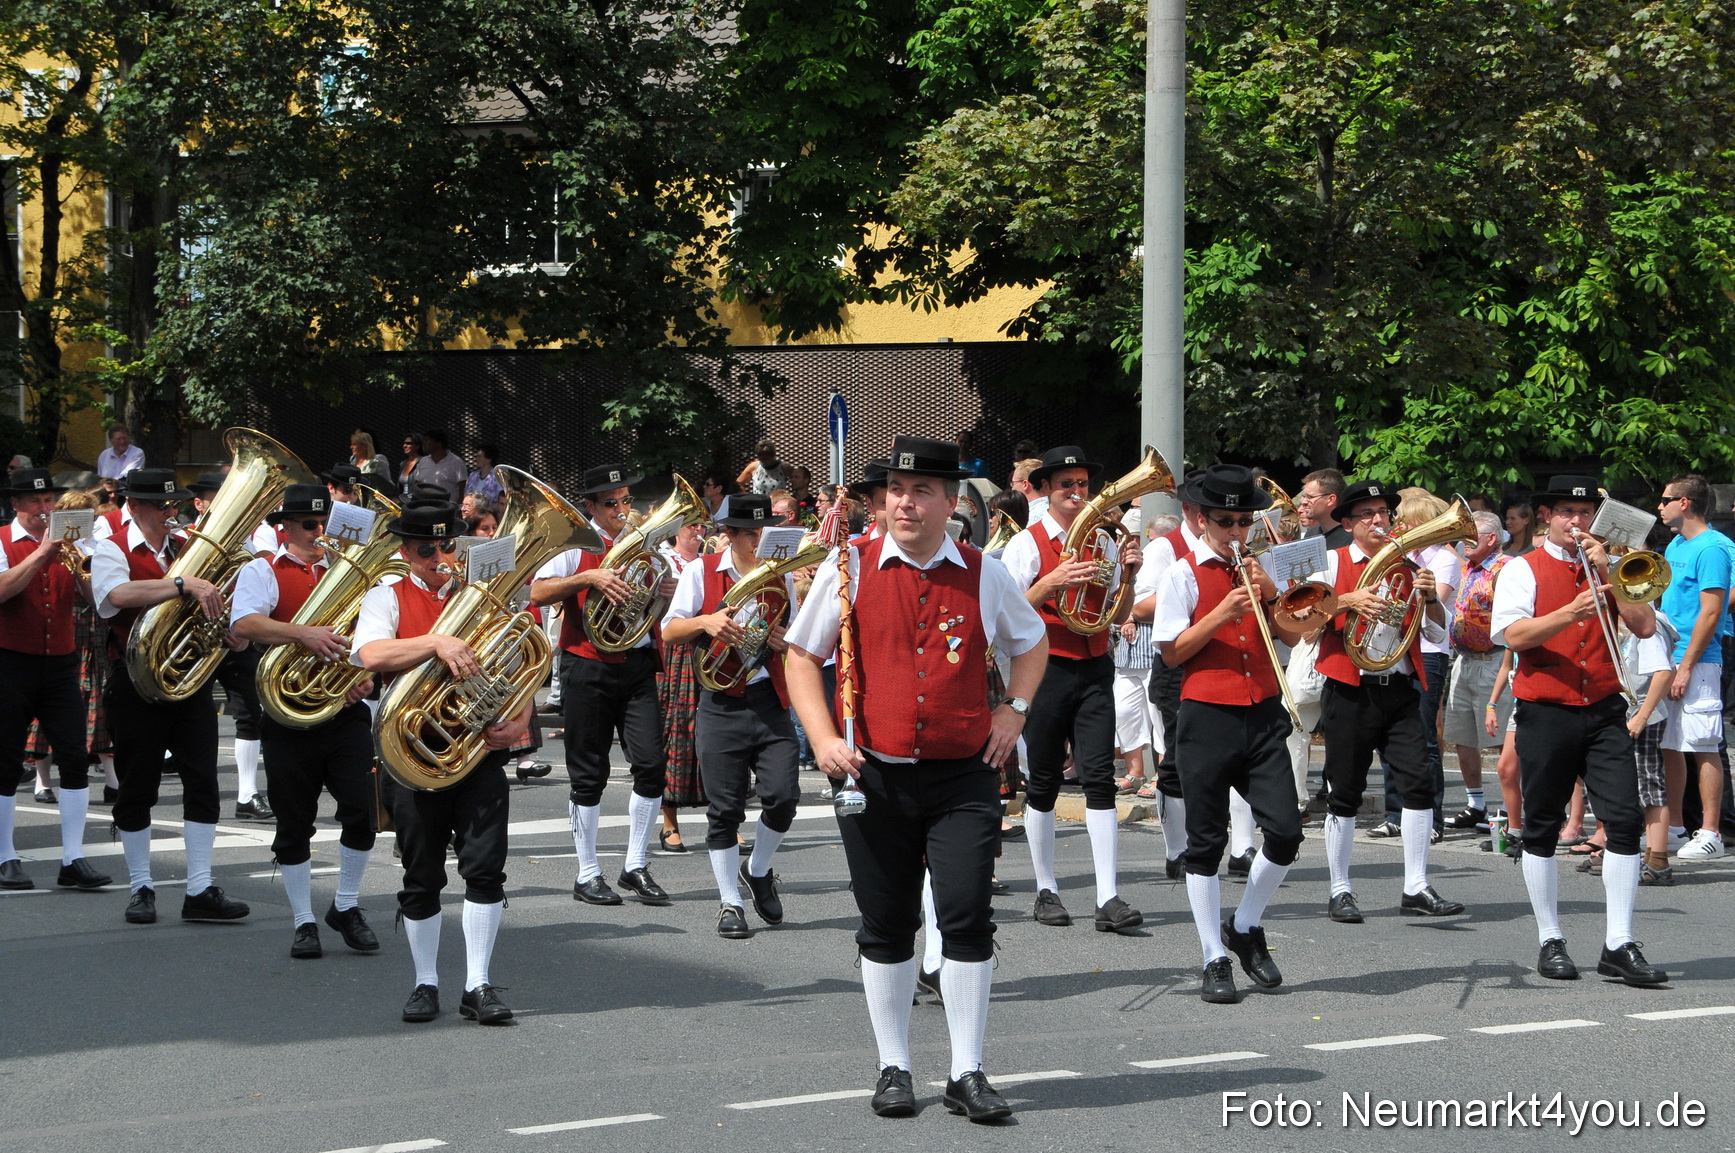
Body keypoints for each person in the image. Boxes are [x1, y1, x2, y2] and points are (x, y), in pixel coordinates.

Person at [786, 435, 1048, 1123]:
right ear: (878, 502)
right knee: (888, 922)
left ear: (950, 500)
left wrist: (1012, 710)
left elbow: (1032, 642)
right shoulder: (846, 567)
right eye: (895, 492)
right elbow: (798, 657)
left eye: (923, 490)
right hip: (873, 773)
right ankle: (893, 1065)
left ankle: (967, 1070)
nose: (906, 502)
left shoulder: (982, 571)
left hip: (963, 773)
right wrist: (820, 737)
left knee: (965, 915)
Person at [1489, 474, 1666, 986]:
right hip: (1545, 709)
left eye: (1585, 514)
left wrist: (1608, 570)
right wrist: (1568, 611)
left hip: (1605, 707)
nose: (1576, 522)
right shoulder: (1523, 569)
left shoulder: (1608, 566)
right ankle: (1551, 938)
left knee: (1625, 820)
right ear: (1547, 516)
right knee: (1542, 825)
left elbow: (1644, 626)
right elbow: (1513, 634)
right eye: (1566, 512)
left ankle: (1619, 942)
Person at [354, 502, 525, 1022]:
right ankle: (425, 982)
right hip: (413, 755)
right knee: (421, 874)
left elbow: (519, 662)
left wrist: (517, 723)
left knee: (485, 871)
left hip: (474, 751)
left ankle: (478, 984)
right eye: (426, 548)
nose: (439, 557)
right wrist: (435, 643)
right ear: (406, 552)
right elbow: (371, 655)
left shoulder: (483, 601)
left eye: (448, 545)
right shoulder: (386, 596)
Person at [1153, 465, 1307, 1003]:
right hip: (1206, 716)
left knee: (1286, 833)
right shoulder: (1183, 575)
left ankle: (1242, 927)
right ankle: (1212, 957)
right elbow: (1172, 651)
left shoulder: (1262, 568)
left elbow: (1294, 631)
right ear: (1199, 519)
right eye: (1226, 522)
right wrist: (1221, 612)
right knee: (1206, 844)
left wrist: (1271, 596)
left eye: (1244, 521)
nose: (1237, 532)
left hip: (1263, 712)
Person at [1282, 478, 1462, 922]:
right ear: (1346, 523)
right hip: (1350, 689)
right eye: (1367, 514)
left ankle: (1416, 886)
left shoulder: (1409, 565)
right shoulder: (1330, 562)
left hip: (1400, 688)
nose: (1379, 520)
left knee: (1418, 785)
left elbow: (1439, 633)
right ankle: (1340, 889)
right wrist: (1346, 600)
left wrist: (1429, 599)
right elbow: (1298, 620)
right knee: (1344, 791)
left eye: (1383, 512)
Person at [90, 468, 250, 926]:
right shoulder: (112, 545)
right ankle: (141, 885)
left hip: (188, 681)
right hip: (136, 681)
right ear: (134, 506)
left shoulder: (186, 548)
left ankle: (199, 887)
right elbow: (114, 595)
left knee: (202, 781)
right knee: (137, 784)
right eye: (160, 507)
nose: (169, 513)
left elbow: (208, 612)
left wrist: (228, 634)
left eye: (171, 505)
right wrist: (183, 584)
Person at [230, 484, 379, 959]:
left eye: (325, 525)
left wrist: (365, 674)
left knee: (362, 810)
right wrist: (303, 634)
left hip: (342, 708)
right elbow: (244, 625)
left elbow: (372, 632)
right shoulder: (263, 569)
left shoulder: (349, 570)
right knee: (294, 823)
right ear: (286, 528)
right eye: (311, 526)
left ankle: (347, 904)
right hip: (288, 713)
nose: (320, 533)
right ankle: (303, 920)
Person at [1000, 445, 1145, 932]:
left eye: (1082, 485)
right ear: (1043, 490)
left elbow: (1118, 617)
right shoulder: (1026, 544)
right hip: (1045, 669)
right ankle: (1046, 889)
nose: (1077, 493)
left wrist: (1129, 574)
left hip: (1095, 665)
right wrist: (1051, 581)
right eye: (1066, 485)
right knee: (1042, 779)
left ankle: (1108, 895)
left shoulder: (1103, 540)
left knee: (1099, 777)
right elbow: (1006, 614)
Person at [529, 463, 672, 908]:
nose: (621, 509)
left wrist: (662, 595)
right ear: (591, 506)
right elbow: (537, 592)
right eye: (611, 503)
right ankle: (587, 871)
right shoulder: (577, 544)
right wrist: (588, 577)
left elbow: (652, 614)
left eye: (626, 501)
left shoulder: (645, 545)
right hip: (586, 664)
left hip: (636, 663)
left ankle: (635, 865)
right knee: (589, 774)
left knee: (651, 764)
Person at [662, 494, 801, 939]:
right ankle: (729, 902)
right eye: (752, 535)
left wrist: (783, 638)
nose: (761, 542)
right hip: (719, 701)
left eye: (765, 533)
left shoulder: (779, 577)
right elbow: (670, 628)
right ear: (730, 536)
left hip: (767, 698)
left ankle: (757, 870)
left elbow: (795, 633)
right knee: (724, 810)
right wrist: (705, 622)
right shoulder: (703, 572)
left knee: (783, 795)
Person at [0, 469, 110, 891]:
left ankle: (73, 858)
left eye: (48, 502)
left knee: (75, 754)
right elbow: (5, 589)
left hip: (61, 661)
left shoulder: (74, 543)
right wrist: (43, 552)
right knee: (7, 759)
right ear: (16, 505)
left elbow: (96, 600)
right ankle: (7, 855)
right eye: (34, 503)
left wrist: (83, 561)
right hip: (10, 661)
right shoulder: (3, 540)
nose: (43, 510)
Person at [1649, 474, 1732, 861]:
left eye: (1665, 499)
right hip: (1670, 653)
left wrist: (1686, 665)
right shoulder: (1676, 544)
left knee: (1702, 745)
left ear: (1684, 503)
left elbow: (1711, 611)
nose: (1659, 506)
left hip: (1698, 660)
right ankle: (1678, 827)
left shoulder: (1713, 547)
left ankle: (1711, 831)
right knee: (1671, 744)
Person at [184, 472, 275, 820]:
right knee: (193, 717)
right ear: (199, 504)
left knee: (250, 713)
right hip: (195, 641)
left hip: (237, 641)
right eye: (217, 499)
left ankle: (247, 794)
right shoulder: (185, 539)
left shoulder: (247, 545)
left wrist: (243, 629)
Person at [1442, 510, 1513, 831]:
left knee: (1501, 737)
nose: (1464, 542)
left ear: (1492, 539)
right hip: (1465, 659)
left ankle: (1512, 806)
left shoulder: (1507, 568)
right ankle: (1476, 804)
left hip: (1495, 659)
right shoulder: (1466, 567)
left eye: (1472, 536)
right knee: (1463, 735)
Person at [656, 520, 708, 851]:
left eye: (703, 524)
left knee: (718, 737)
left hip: (711, 651)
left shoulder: (713, 561)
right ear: (677, 531)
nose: (698, 531)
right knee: (675, 734)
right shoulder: (662, 560)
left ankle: (725, 820)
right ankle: (668, 822)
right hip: (674, 655)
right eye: (691, 525)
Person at [1296, 468, 1352, 548]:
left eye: (1310, 497)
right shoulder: (1311, 534)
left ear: (1331, 500)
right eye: (1304, 496)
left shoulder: (1352, 538)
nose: (1304, 501)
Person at [411, 430, 467, 505]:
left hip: (446, 509)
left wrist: (458, 509)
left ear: (439, 443)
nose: (424, 444)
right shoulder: (423, 461)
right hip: (425, 508)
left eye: (427, 440)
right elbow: (418, 484)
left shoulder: (457, 462)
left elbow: (463, 489)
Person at [465, 444, 504, 511]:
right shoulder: (472, 476)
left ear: (489, 459)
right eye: (477, 456)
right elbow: (466, 495)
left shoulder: (497, 478)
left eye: (480, 456)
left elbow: (500, 500)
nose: (477, 459)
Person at [397, 433, 423, 498]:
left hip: (415, 502)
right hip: (403, 501)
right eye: (404, 443)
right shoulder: (403, 464)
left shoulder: (423, 462)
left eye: (408, 443)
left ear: (417, 446)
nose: (404, 445)